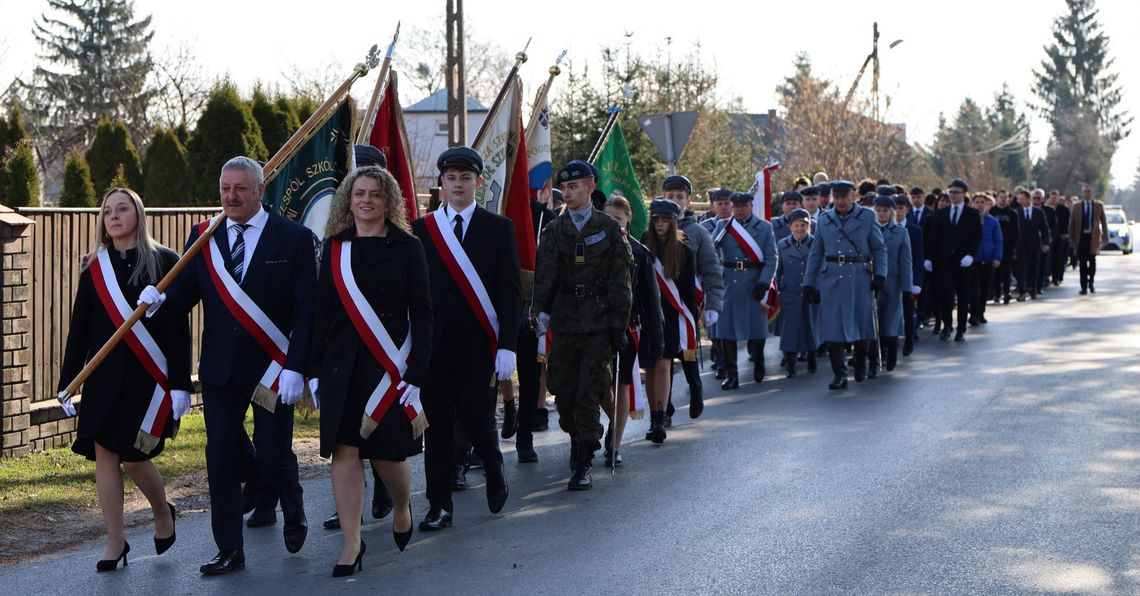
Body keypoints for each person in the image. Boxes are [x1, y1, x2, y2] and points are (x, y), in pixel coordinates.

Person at [141, 157, 317, 574]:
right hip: (220, 368)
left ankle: (292, 507)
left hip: (273, 367)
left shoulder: (294, 238)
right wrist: (161, 300)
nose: (231, 197)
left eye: (240, 188)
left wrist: (298, 366)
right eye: (225, 188)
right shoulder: (204, 235)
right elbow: (186, 292)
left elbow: (308, 310)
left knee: (273, 452)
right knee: (220, 453)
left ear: (259, 191)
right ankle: (229, 549)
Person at [57, 188, 190, 572]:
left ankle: (162, 511)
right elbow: (80, 328)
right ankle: (115, 541)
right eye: (107, 211)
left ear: (138, 214)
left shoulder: (165, 261)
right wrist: (68, 382)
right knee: (105, 454)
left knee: (134, 457)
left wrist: (180, 384)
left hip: (147, 378)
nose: (113, 216)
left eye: (122, 209)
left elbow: (177, 329)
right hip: (103, 378)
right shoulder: (94, 266)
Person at [309, 166, 430, 575]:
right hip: (341, 366)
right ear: (349, 199)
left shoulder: (408, 247)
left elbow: (423, 312)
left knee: (387, 455)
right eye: (359, 193)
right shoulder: (335, 247)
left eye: (375, 194)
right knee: (344, 452)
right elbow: (322, 312)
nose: (366, 200)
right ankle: (351, 542)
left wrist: (416, 372)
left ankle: (401, 505)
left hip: (390, 368)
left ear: (388, 200)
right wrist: (312, 369)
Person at [410, 146, 519, 530]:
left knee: (478, 419)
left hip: (478, 344)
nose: (458, 185)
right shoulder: (421, 230)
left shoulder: (499, 228)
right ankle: (438, 505)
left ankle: (494, 468)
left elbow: (509, 293)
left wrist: (507, 345)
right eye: (451, 178)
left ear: (478, 182)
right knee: (436, 428)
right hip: (434, 348)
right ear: (441, 182)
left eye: (465, 178)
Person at [533, 159, 633, 490]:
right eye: (564, 187)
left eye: (574, 186)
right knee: (563, 391)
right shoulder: (554, 230)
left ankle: (583, 460)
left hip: (598, 322)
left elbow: (620, 280)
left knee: (589, 391)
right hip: (564, 322)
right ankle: (578, 439)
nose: (568, 192)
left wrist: (618, 325)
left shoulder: (609, 229)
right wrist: (537, 314)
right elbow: (544, 277)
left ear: (590, 187)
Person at [320, 144, 396, 533]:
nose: (365, 197)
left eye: (372, 185)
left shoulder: (401, 241)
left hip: (384, 355)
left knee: (379, 433)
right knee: (347, 439)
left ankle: (387, 492)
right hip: (343, 356)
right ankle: (349, 513)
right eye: (357, 185)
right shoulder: (335, 241)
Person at [802, 180, 887, 390]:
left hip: (858, 276)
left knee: (862, 324)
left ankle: (860, 363)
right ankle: (839, 374)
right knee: (833, 328)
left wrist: (880, 275)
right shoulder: (824, 219)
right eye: (837, 197)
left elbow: (879, 248)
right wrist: (809, 283)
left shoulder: (867, 217)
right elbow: (816, 253)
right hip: (831, 278)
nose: (840, 201)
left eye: (844, 197)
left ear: (853, 196)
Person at [602, 196, 663, 467]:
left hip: (628, 327)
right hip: (594, 325)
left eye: (618, 218)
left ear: (628, 219)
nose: (613, 223)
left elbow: (651, 300)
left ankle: (615, 444)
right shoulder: (590, 245)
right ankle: (610, 422)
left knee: (622, 382)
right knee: (598, 385)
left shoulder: (640, 253)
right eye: (608, 218)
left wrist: (656, 339)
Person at [661, 175, 723, 427]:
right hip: (660, 304)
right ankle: (664, 409)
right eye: (670, 196)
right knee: (663, 357)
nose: (675, 201)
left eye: (680, 197)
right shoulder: (655, 229)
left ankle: (696, 388)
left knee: (687, 354)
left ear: (688, 201)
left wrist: (713, 304)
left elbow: (711, 270)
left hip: (686, 304)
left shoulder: (698, 232)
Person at [641, 198, 698, 444]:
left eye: (665, 220)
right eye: (657, 220)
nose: (660, 225)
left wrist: (691, 323)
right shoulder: (644, 243)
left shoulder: (684, 250)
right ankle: (654, 415)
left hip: (672, 316)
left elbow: (688, 293)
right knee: (650, 368)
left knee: (664, 365)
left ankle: (660, 418)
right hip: (648, 315)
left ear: (673, 222)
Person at [710, 192, 778, 390]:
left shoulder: (764, 227)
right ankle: (732, 375)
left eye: (744, 205)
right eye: (737, 206)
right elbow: (712, 252)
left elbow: (771, 258)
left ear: (750, 206)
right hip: (729, 282)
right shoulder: (723, 226)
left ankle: (758, 360)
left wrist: (764, 282)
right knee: (726, 330)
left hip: (753, 281)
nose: (740, 209)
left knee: (756, 328)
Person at [512, 185, 560, 463]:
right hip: (494, 308)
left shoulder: (544, 218)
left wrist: (545, 308)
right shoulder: (489, 210)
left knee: (529, 378)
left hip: (531, 309)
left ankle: (525, 438)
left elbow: (553, 267)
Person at [923, 178, 981, 342]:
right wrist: (928, 257)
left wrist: (970, 255)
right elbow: (934, 238)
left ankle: (961, 328)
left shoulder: (972, 214)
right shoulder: (941, 213)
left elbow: (976, 237)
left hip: (964, 262)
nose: (953, 195)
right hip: (944, 261)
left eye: (957, 192)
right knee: (945, 295)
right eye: (951, 192)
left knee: (963, 295)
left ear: (964, 194)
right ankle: (947, 326)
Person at [870, 190, 913, 374]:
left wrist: (907, 288)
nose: (881, 214)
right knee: (872, 320)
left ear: (892, 213)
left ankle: (892, 349)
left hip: (893, 282)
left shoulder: (900, 233)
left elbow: (906, 262)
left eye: (885, 211)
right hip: (871, 281)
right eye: (878, 210)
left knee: (890, 319)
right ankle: (874, 356)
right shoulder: (868, 231)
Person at [775, 209, 818, 377]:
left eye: (803, 225)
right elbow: (778, 269)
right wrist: (777, 288)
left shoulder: (816, 243)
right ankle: (790, 363)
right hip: (789, 292)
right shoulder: (782, 245)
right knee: (789, 330)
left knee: (811, 327)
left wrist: (818, 289)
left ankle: (812, 357)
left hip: (809, 291)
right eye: (796, 225)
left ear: (809, 226)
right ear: (790, 227)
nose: (800, 229)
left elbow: (820, 267)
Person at [701, 188, 733, 380]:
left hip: (732, 281)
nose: (723, 207)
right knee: (714, 324)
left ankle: (724, 363)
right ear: (713, 206)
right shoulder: (705, 227)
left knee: (726, 324)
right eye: (719, 203)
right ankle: (719, 357)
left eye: (727, 203)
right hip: (712, 280)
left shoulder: (738, 226)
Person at [894, 195, 924, 356]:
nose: (897, 212)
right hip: (891, 276)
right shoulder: (884, 228)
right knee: (892, 310)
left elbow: (918, 258)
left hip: (908, 276)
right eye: (895, 208)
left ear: (907, 210)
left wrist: (917, 281)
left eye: (901, 208)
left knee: (908, 309)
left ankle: (909, 338)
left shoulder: (915, 230)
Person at [1068, 184, 1110, 295]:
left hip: (1093, 238)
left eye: (1089, 191)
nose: (1087, 193)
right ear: (1083, 193)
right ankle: (1083, 286)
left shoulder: (1098, 205)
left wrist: (1105, 237)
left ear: (1092, 193)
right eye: (1085, 191)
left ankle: (1091, 282)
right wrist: (1071, 238)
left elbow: (1104, 222)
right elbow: (1072, 223)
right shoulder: (1077, 206)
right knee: (1082, 263)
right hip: (1081, 238)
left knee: (1092, 262)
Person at [971, 194, 1003, 326]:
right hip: (974, 259)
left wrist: (997, 257)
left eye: (982, 202)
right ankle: (973, 313)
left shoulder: (993, 221)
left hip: (989, 259)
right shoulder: (969, 220)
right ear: (973, 204)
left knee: (985, 287)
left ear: (987, 204)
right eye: (977, 202)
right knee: (973, 287)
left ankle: (981, 313)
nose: (979, 205)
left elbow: (999, 240)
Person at [1014, 187, 1051, 300]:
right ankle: (1022, 291)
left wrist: (1046, 243)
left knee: (1034, 267)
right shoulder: (1017, 212)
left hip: (1034, 243)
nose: (1020, 201)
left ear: (1028, 199)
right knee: (1021, 267)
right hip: (1021, 244)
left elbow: (1044, 228)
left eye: (1022, 199)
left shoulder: (1038, 212)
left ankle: (1033, 289)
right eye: (1019, 199)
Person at [988, 190, 1019, 304]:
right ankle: (997, 293)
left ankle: (1006, 292)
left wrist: (1014, 247)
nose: (1003, 199)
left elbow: (1016, 231)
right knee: (996, 270)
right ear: (997, 198)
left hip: (1007, 246)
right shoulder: (992, 211)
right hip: (994, 246)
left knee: (1006, 270)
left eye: (1005, 197)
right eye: (1001, 197)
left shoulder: (1012, 213)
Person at [1049, 190, 1070, 286]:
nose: (1053, 200)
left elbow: (1067, 223)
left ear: (1058, 198)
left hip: (1061, 237)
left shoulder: (1064, 210)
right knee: (1051, 258)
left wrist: (1065, 234)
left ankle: (1058, 277)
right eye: (1052, 198)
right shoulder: (1047, 209)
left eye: (1055, 198)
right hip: (1050, 237)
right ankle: (1050, 275)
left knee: (1060, 258)